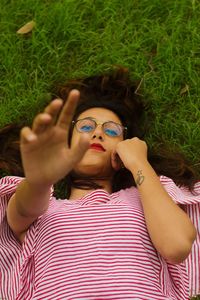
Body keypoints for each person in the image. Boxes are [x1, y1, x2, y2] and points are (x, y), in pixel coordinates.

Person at [0, 67, 199, 300]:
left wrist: (138, 162)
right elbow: (22, 210)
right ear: (66, 144)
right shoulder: (42, 208)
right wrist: (40, 179)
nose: (97, 133)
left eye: (112, 131)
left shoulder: (146, 197)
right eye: (85, 127)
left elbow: (176, 246)